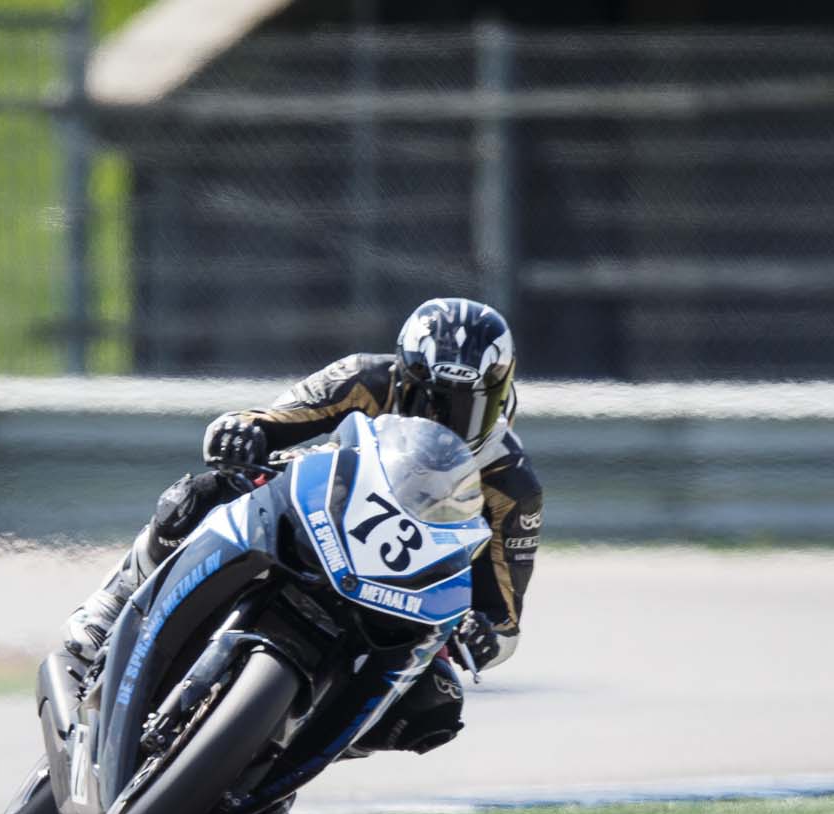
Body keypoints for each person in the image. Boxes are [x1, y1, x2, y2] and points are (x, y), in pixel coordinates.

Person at [62, 296, 544, 771]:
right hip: (320, 520)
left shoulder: (513, 485)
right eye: (433, 401)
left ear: (502, 395)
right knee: (202, 494)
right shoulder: (364, 378)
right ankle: (111, 606)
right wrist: (241, 432)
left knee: (434, 702)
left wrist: (481, 634)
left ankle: (292, 752)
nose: (448, 421)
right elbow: (272, 422)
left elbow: (503, 619)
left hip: (398, 595)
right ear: (405, 376)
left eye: (470, 407)